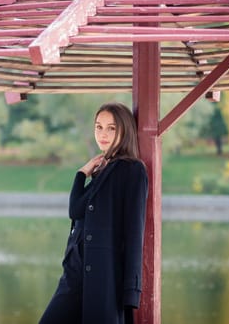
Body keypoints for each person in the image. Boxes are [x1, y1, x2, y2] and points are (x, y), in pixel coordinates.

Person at [39, 102, 148, 324]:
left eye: (111, 128)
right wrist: (81, 174)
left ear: (125, 130)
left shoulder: (133, 170)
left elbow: (135, 232)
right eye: (98, 127)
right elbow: (75, 210)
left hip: (104, 275)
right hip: (75, 274)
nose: (103, 134)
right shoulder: (101, 168)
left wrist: (131, 291)